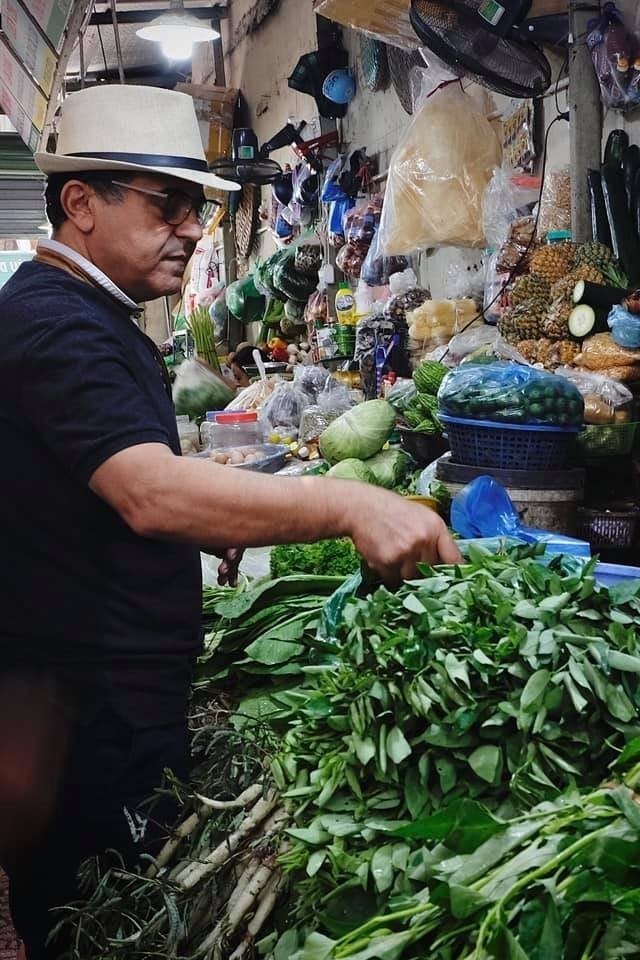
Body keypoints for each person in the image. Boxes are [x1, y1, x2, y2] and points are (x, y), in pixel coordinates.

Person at [0, 84, 461, 959]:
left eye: (198, 209)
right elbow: (148, 494)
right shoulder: (61, 329)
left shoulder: (79, 315)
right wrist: (352, 500)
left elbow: (111, 479)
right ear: (80, 203)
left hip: (87, 692)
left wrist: (206, 488)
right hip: (85, 711)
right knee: (101, 924)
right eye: (166, 203)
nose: (189, 228)